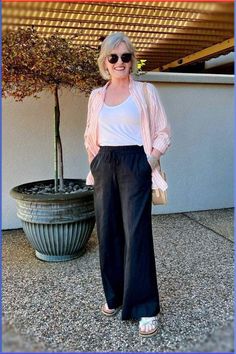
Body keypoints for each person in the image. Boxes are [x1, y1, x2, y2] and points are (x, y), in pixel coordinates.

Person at [84, 32, 171, 337]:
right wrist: (95, 165)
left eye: (126, 56)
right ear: (104, 62)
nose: (120, 62)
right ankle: (116, 295)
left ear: (133, 60)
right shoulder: (97, 96)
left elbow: (163, 131)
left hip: (136, 161)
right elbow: (89, 136)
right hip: (105, 163)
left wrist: (150, 159)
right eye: (113, 57)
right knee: (108, 231)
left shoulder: (145, 92)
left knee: (136, 232)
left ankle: (145, 306)